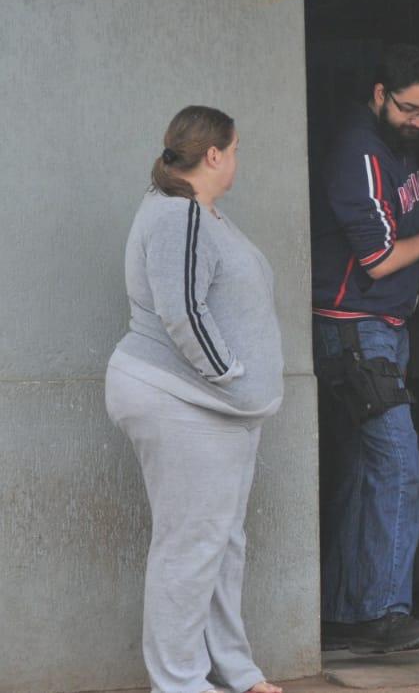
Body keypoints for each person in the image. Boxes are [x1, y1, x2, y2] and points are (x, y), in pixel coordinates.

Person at [105, 106, 285, 693]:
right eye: (234, 150)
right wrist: (229, 375)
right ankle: (179, 683)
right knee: (190, 546)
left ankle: (234, 670)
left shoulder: (202, 214)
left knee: (221, 544)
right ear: (213, 154)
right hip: (184, 402)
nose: (237, 160)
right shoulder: (179, 215)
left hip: (218, 411)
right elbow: (181, 309)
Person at [311, 44, 419, 654]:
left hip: (385, 326)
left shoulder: (396, 144)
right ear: (380, 94)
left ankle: (343, 609)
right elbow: (379, 261)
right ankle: (384, 610)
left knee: (365, 471)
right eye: (409, 109)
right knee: (398, 467)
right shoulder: (357, 150)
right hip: (357, 327)